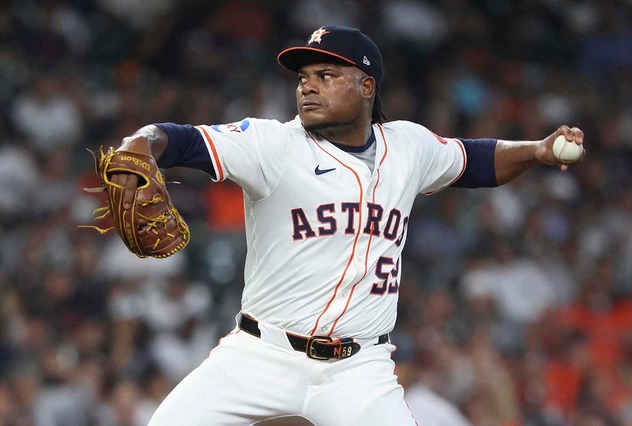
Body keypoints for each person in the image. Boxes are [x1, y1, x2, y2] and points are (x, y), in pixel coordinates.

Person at [110, 25, 585, 425]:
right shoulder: (273, 144)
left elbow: (476, 160)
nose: (307, 87)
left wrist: (537, 150)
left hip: (359, 370)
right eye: (304, 78)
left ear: (366, 86)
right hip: (261, 355)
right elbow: (180, 140)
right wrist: (140, 142)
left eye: (326, 75)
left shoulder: (409, 146)